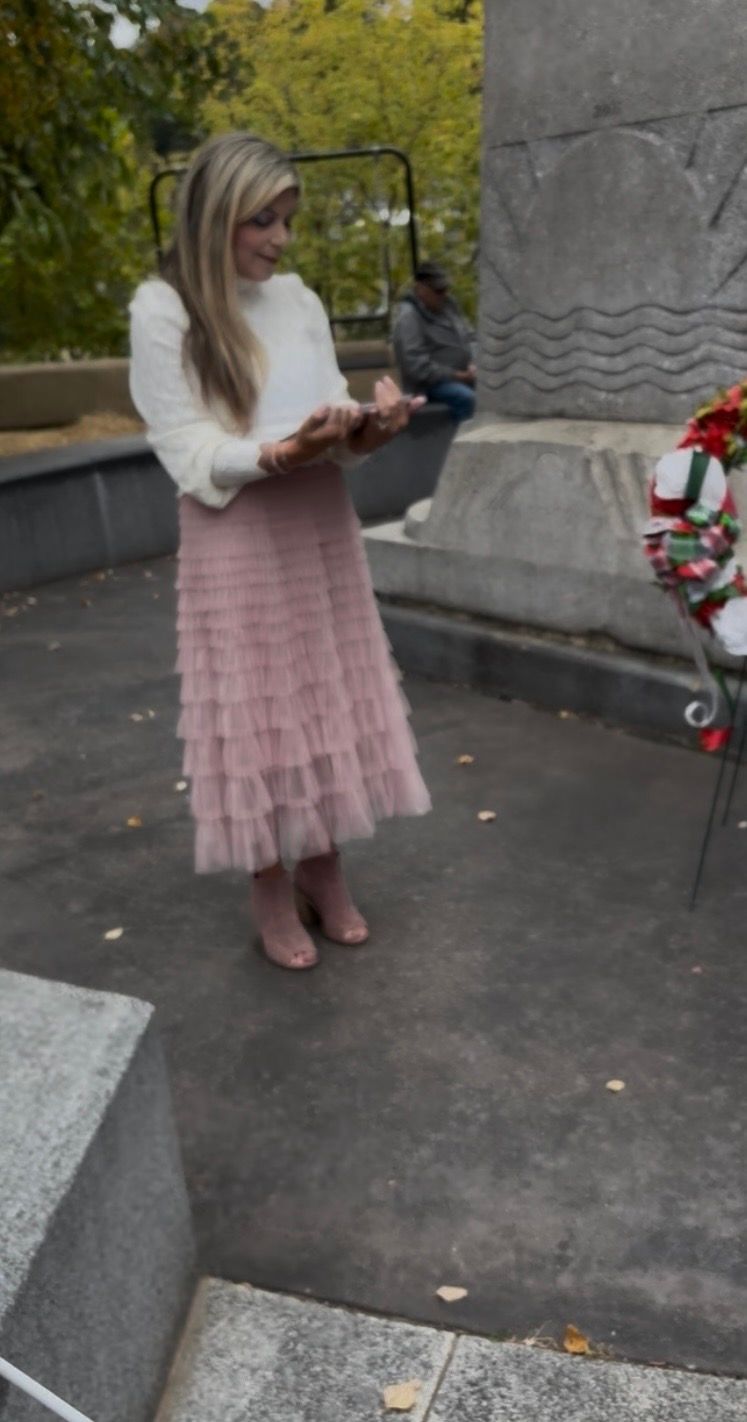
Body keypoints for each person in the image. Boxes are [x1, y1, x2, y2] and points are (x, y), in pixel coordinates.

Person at [129, 132, 431, 972]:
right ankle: (269, 881)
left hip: (318, 519)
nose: (280, 239)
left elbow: (327, 410)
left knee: (327, 691)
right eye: (261, 220)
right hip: (236, 530)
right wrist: (281, 453)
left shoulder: (296, 298)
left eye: (286, 219)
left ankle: (324, 865)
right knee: (256, 709)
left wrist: (367, 430)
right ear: (214, 214)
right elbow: (186, 447)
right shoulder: (163, 309)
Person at [392, 261, 477, 423]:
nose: (444, 294)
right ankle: (467, 437)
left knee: (498, 390)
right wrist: (458, 376)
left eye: (446, 288)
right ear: (420, 289)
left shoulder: (449, 305)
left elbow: (471, 337)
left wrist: (474, 362)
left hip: (465, 375)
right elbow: (416, 367)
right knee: (468, 398)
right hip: (428, 386)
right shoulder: (408, 317)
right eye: (438, 290)